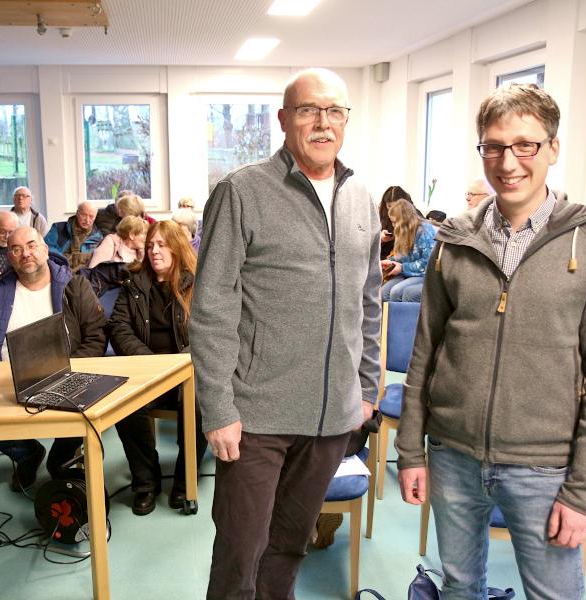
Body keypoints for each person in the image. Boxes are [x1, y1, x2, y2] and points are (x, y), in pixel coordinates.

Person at [395, 83, 586, 600]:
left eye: (525, 145)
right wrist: (410, 450)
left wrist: (585, 490)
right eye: (494, 146)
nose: (508, 161)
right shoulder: (454, 240)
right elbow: (426, 353)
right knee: (460, 588)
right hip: (453, 455)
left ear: (552, 149)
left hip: (544, 467)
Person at [190, 68, 382, 599]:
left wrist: (366, 388)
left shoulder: (362, 196)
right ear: (283, 119)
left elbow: (368, 301)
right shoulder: (242, 192)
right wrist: (218, 408)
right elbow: (211, 307)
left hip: (330, 418)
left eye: (334, 111)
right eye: (308, 110)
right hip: (257, 416)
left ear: (346, 119)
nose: (323, 123)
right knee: (240, 553)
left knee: (290, 546)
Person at [0, 227, 108, 491]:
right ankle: (26, 453)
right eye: (16, 249)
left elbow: (96, 335)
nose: (25, 254)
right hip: (7, 380)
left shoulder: (74, 287)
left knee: (87, 408)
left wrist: (71, 368)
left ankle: (60, 460)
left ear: (44, 249)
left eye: (31, 245)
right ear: (9, 256)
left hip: (66, 375)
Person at [108, 220, 206, 515]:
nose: (154, 251)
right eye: (150, 245)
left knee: (200, 405)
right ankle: (145, 482)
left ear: (177, 248)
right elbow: (119, 328)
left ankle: (183, 480)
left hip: (187, 371)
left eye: (162, 245)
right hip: (148, 371)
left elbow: (208, 331)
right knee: (124, 405)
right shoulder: (133, 282)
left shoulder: (197, 282)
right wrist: (151, 362)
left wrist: (176, 364)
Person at [380, 198, 437, 302]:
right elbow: (404, 257)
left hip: (425, 275)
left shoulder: (425, 231)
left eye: (395, 222)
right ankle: (390, 318)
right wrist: (391, 262)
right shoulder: (403, 231)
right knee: (383, 293)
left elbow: (427, 264)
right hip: (408, 272)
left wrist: (402, 268)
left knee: (396, 292)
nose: (393, 226)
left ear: (404, 220)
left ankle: (402, 318)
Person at [43, 200, 103, 271]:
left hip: (84, 274)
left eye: (91, 216)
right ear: (77, 213)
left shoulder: (98, 237)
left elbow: (96, 261)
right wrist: (67, 259)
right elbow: (46, 248)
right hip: (60, 269)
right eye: (83, 215)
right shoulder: (58, 228)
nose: (87, 220)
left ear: (95, 217)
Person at [378, 185, 417, 258]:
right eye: (389, 206)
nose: (392, 210)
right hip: (385, 256)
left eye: (396, 206)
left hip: (405, 258)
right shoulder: (381, 216)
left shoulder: (415, 217)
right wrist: (381, 239)